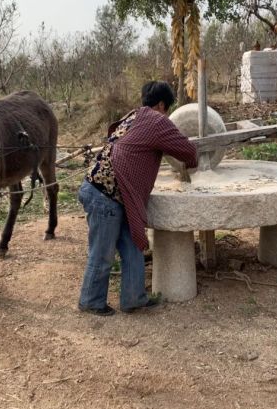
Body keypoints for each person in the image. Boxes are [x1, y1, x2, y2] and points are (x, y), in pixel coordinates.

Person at [77, 81, 198, 316]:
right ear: (162, 105)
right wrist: (195, 164)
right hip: (105, 194)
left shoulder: (135, 116)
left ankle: (134, 298)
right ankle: (90, 301)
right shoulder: (157, 120)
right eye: (168, 108)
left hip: (111, 191)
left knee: (133, 245)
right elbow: (187, 151)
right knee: (102, 252)